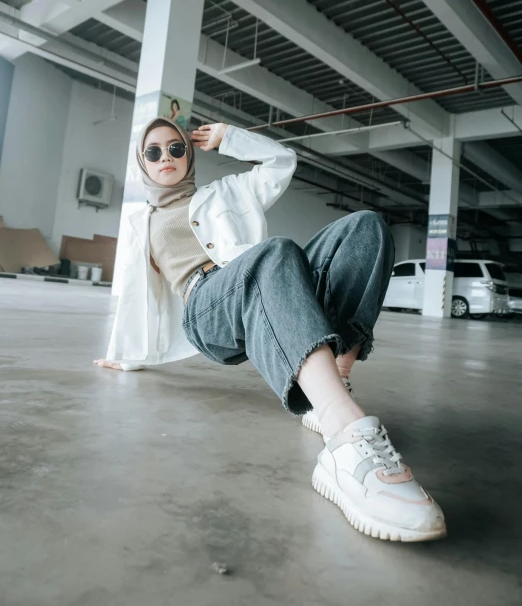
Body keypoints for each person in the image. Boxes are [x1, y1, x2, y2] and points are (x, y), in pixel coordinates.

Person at [95, 117, 446, 543]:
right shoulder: (140, 224)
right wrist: (126, 354)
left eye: (176, 148)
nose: (165, 157)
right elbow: (136, 293)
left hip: (268, 277)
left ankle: (333, 382)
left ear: (189, 155)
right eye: (154, 152)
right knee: (274, 252)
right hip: (208, 307)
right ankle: (344, 438)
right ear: (142, 163)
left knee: (365, 226)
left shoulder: (226, 192)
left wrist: (231, 138)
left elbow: (282, 162)